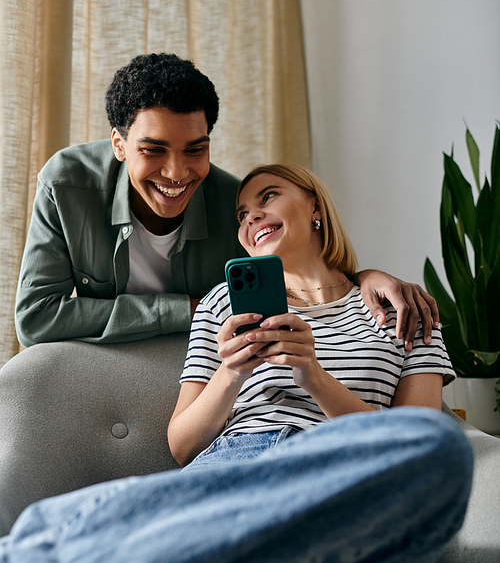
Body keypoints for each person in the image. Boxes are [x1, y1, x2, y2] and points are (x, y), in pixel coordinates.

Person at [0, 165, 473, 563]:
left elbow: (412, 438)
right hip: (239, 469)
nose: (251, 219)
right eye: (242, 214)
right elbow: (181, 445)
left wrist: (314, 376)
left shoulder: (403, 310)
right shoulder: (225, 303)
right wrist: (229, 371)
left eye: (267, 198)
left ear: (315, 205)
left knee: (442, 446)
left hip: (347, 512)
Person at [15, 52, 438, 350]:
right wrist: (189, 310)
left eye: (195, 149)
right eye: (154, 150)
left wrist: (365, 276)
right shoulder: (67, 184)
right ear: (119, 145)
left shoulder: (235, 209)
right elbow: (35, 319)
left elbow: (299, 279)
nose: (178, 173)